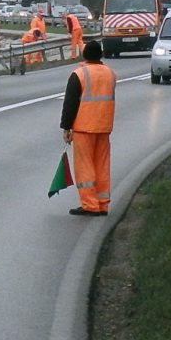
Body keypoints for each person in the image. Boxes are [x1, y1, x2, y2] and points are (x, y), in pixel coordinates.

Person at [60, 40, 116, 216]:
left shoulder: (79, 74)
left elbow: (70, 103)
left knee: (85, 167)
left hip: (84, 128)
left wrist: (66, 127)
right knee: (102, 165)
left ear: (84, 55)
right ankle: (102, 203)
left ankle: (90, 205)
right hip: (104, 126)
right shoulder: (110, 74)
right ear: (100, 55)